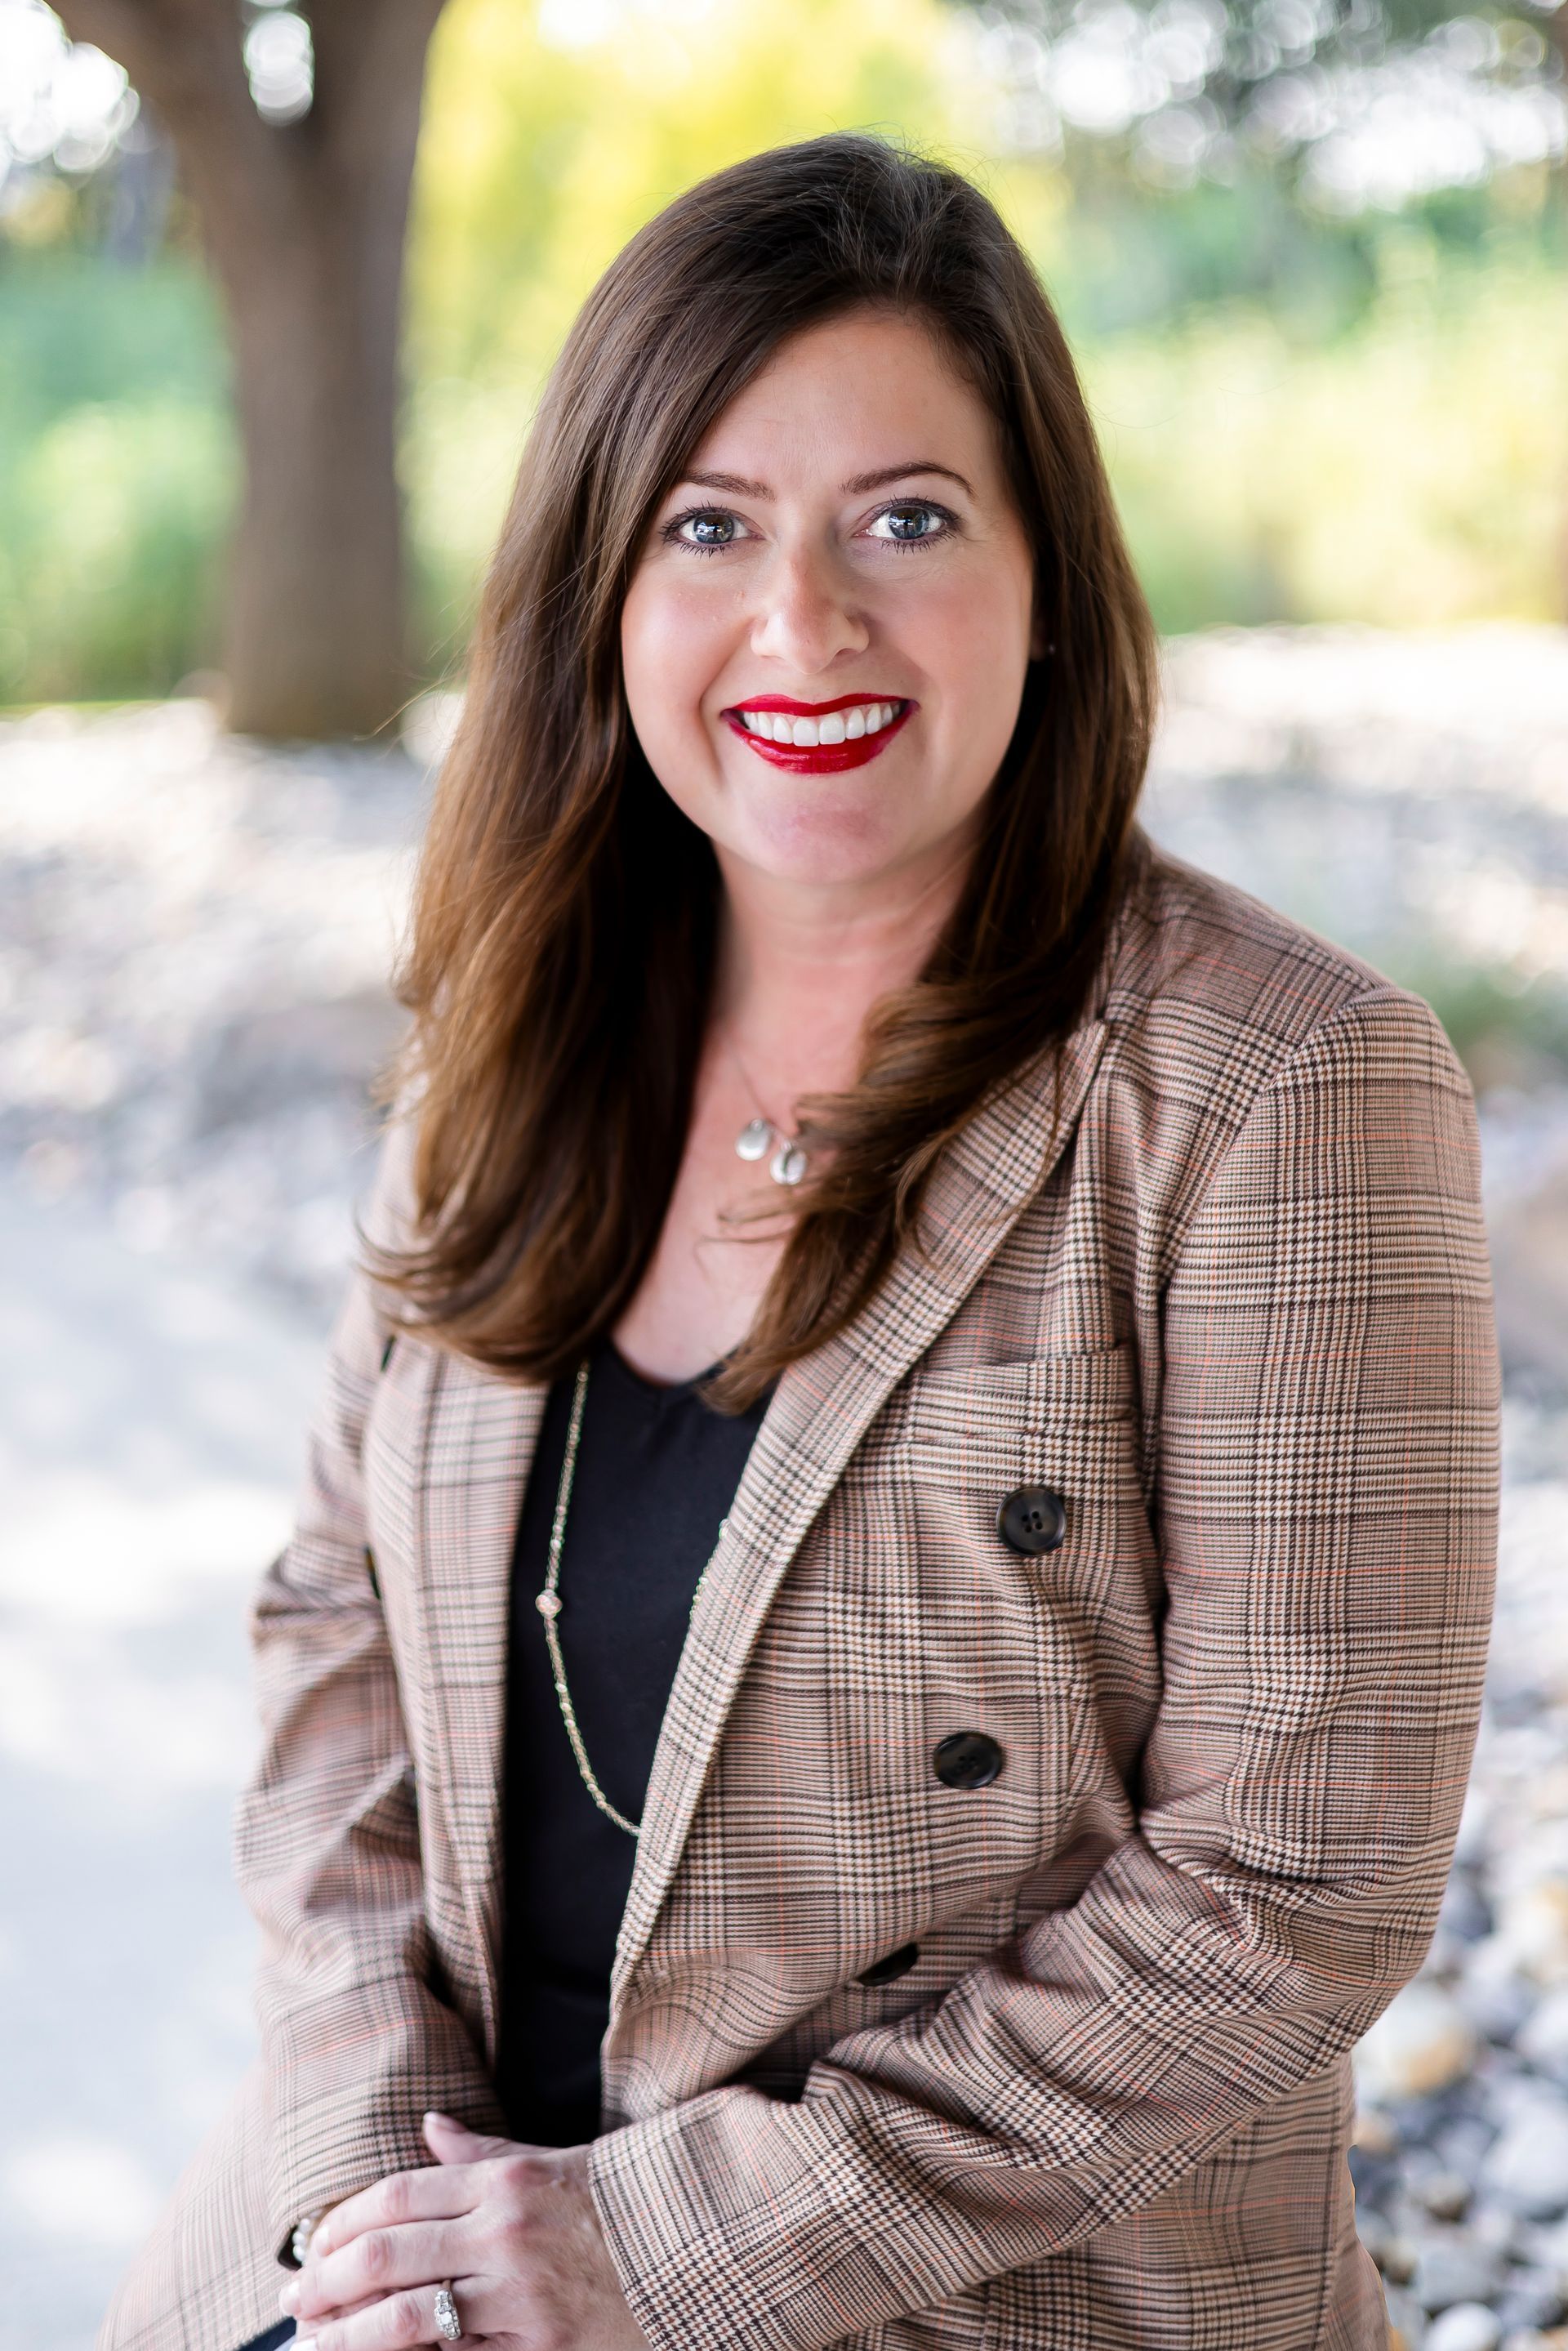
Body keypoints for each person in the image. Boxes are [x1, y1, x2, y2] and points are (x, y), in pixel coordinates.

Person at [101, 134, 1499, 2351]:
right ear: (605, 589)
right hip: (409, 2247)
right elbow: (329, 1624)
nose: (806, 624)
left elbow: (1293, 1883)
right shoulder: (514, 1045)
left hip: (968, 2290)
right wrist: (379, 2176)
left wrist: (650, 2252)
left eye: (908, 521)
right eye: (711, 528)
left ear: (1046, 571)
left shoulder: (1277, 1089)